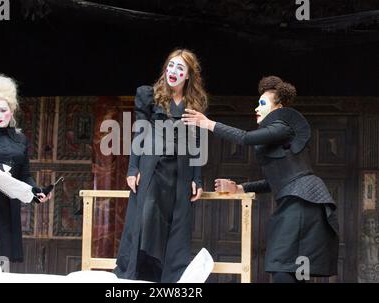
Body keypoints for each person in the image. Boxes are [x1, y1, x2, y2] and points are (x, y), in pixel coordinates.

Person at [182, 75, 339, 283]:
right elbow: (275, 182)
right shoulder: (277, 138)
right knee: (289, 268)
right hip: (297, 201)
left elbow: (246, 138)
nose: (256, 108)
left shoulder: (283, 126)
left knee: (283, 265)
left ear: (278, 107)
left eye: (262, 103)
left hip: (304, 201)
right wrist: (240, 188)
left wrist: (209, 124)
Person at [114, 49, 208, 282]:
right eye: (171, 65)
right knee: (146, 216)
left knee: (175, 224)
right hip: (151, 167)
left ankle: (169, 278)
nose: (173, 71)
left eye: (180, 68)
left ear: (187, 76)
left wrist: (197, 178)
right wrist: (133, 168)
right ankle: (138, 273)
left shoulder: (194, 102)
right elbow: (140, 131)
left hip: (180, 170)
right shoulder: (150, 95)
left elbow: (197, 142)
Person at [0, 74, 51, 264]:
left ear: (11, 110)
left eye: (2, 110)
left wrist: (37, 191)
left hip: (9, 205)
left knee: (3, 258)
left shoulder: (20, 140)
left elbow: (25, 175)